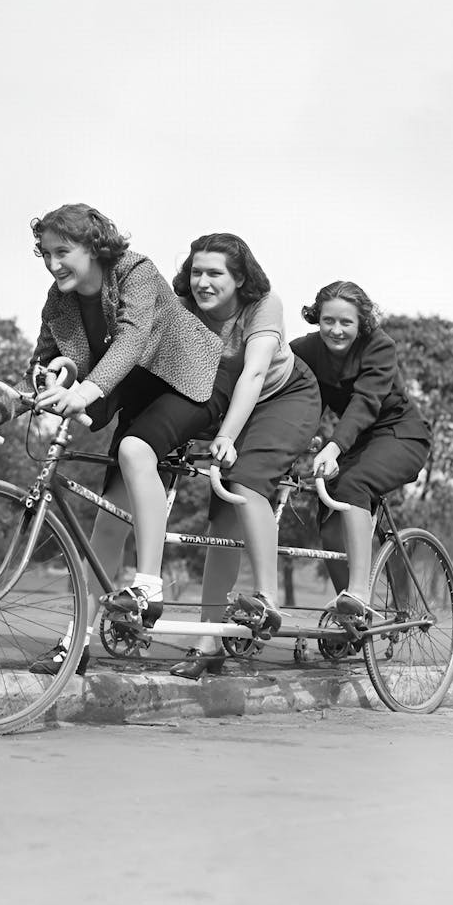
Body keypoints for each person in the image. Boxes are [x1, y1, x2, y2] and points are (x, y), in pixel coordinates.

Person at [0, 203, 231, 674]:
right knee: (107, 524)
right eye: (44, 253)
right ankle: (74, 644)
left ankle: (148, 586)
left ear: (94, 247)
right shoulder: (58, 301)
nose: (52, 263)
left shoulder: (134, 270)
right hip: (136, 393)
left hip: (190, 382)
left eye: (63, 251)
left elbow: (134, 338)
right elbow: (41, 371)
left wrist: (90, 389)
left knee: (133, 448)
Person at [163, 233, 322, 679]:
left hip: (285, 396)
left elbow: (254, 373)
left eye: (215, 273)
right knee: (222, 515)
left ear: (239, 278)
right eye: (196, 272)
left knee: (246, 481)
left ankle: (267, 599)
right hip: (235, 400)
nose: (203, 282)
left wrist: (228, 436)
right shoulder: (186, 309)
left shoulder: (264, 304)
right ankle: (207, 640)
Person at [290, 281, 432, 617]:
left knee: (354, 485)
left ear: (361, 323)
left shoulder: (379, 346)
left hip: (401, 434)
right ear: (317, 318)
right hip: (359, 441)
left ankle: (358, 593)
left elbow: (366, 402)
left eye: (346, 323)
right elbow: (301, 399)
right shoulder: (305, 350)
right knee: (327, 515)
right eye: (328, 321)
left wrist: (335, 446)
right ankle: (349, 612)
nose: (336, 330)